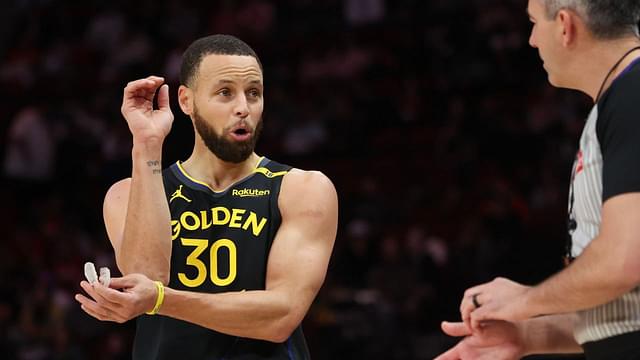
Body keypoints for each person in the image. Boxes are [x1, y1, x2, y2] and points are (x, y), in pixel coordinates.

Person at [74, 34, 338, 360]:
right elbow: (148, 276)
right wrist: (147, 143)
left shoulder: (302, 189)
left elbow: (280, 316)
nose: (243, 107)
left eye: (253, 93)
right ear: (186, 101)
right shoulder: (125, 194)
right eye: (225, 93)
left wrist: (161, 300)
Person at [437, 0, 640, 359]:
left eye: (533, 23)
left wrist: (525, 300)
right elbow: (628, 311)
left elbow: (626, 259)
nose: (531, 40)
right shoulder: (620, 98)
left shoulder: (632, 96)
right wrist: (528, 336)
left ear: (565, 25)